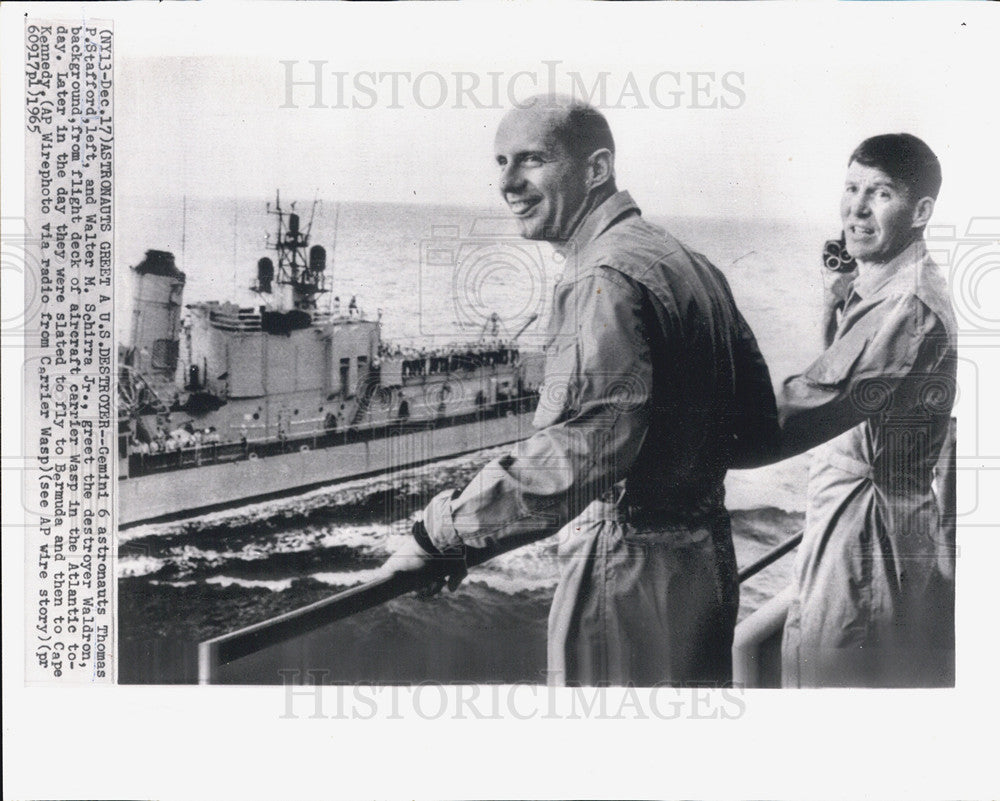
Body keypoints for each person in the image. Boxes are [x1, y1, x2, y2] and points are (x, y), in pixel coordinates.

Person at [380, 96, 779, 687]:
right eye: (500, 162)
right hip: (704, 563)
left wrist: (441, 535)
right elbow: (756, 422)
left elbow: (591, 444)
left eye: (532, 160)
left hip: (628, 573)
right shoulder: (686, 259)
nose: (508, 183)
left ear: (596, 169)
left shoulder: (600, 275)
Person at [775, 134, 957, 687]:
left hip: (866, 530)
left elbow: (823, 401)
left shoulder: (905, 304)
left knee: (836, 681)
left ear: (921, 211)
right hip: (856, 514)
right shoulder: (885, 288)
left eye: (879, 194)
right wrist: (837, 301)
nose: (856, 208)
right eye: (851, 188)